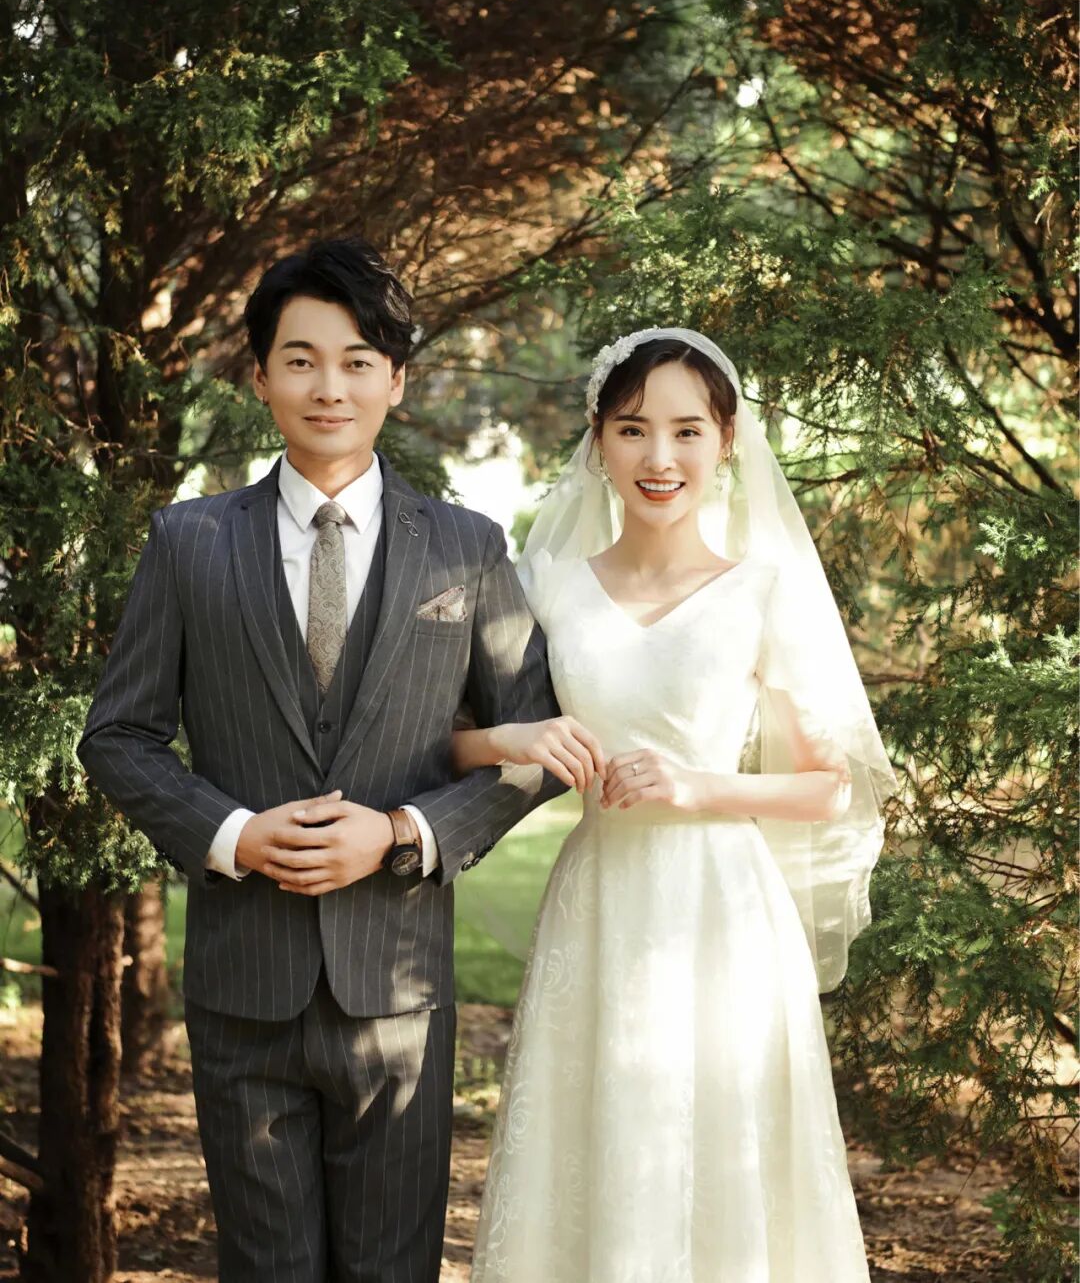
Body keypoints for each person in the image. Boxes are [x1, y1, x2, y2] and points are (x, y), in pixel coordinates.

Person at [77, 236, 568, 1283]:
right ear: (260, 377)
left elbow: (538, 747)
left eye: (357, 360)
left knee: (393, 1268)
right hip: (243, 986)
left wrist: (402, 830)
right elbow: (118, 735)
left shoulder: (468, 546)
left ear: (397, 378)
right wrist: (233, 833)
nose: (329, 385)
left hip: (399, 993)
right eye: (300, 359)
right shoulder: (189, 541)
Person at [456, 327, 897, 1283]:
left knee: (723, 1154)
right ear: (599, 443)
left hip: (723, 911)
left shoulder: (762, 590)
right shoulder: (548, 587)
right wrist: (512, 738)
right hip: (599, 901)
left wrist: (697, 784)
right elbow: (453, 739)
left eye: (687, 430)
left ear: (726, 440)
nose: (660, 456)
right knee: (597, 1144)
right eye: (633, 429)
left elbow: (828, 785)